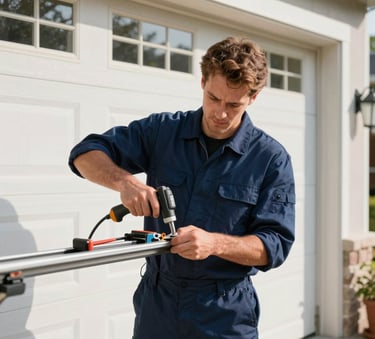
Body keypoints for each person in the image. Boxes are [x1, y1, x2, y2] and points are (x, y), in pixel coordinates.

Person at [68, 36, 295, 339]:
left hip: (223, 311)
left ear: (253, 97)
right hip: (158, 302)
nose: (221, 113)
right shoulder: (163, 131)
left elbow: (274, 246)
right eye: (214, 98)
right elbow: (84, 154)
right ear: (202, 82)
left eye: (233, 104)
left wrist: (216, 244)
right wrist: (125, 182)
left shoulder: (270, 159)